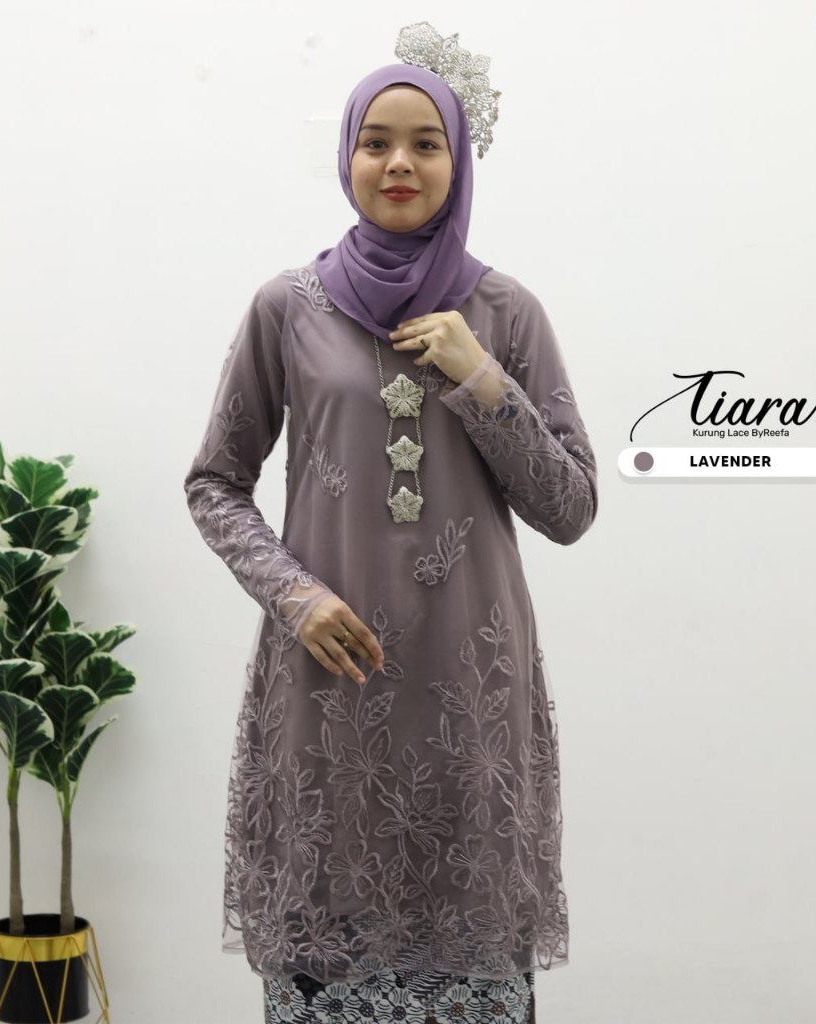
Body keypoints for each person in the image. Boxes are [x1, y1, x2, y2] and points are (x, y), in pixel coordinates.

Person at [184, 44, 597, 1024]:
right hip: (330, 685)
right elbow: (215, 483)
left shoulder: (505, 312)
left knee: (471, 957)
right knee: (328, 957)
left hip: (468, 688)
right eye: (375, 143)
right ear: (347, 156)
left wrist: (479, 377)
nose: (398, 163)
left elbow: (570, 507)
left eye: (424, 144)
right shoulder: (287, 308)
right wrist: (294, 595)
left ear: (458, 160)